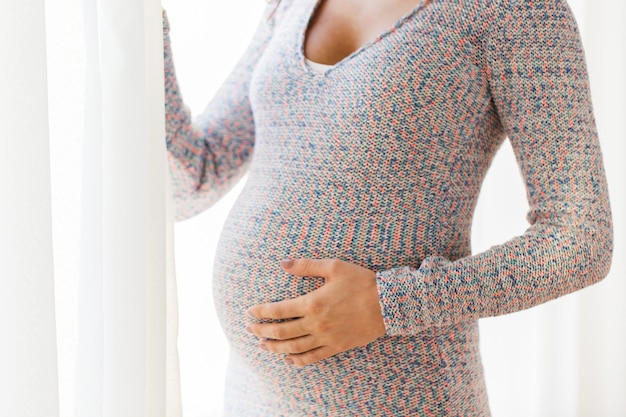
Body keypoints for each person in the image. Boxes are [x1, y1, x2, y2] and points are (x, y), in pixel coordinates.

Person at [162, 0, 613, 415]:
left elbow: (580, 240)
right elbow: (193, 181)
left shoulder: (513, 10)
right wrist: (139, 33)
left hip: (405, 400)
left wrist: (390, 303)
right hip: (254, 399)